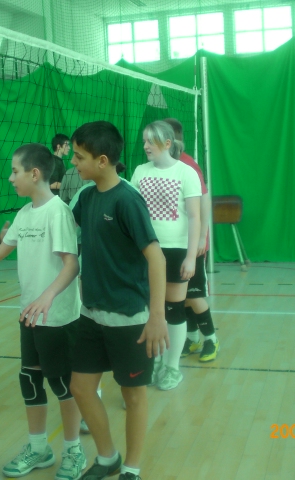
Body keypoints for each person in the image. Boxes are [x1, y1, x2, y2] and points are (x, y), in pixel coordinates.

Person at [0, 143, 86, 480]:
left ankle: (74, 450)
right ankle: (39, 448)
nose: (11, 178)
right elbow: (4, 248)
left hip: (57, 318)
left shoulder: (58, 212)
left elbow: (72, 265)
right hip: (30, 315)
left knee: (63, 385)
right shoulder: (25, 213)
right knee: (30, 380)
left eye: (15, 171)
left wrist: (47, 297)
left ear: (34, 174)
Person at [68, 121, 169, 480]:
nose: (73, 163)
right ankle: (107, 457)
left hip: (129, 319)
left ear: (102, 160)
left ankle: (131, 468)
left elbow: (156, 258)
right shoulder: (86, 198)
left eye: (79, 157)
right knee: (80, 387)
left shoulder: (127, 199)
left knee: (133, 396)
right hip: (91, 314)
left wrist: (156, 317)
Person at [130, 121, 201, 391]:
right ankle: (156, 360)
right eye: (144, 141)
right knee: (150, 309)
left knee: (173, 309)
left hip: (176, 250)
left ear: (167, 143)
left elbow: (194, 217)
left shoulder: (186, 172)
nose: (146, 146)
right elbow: (132, 209)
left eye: (151, 141)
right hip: (146, 250)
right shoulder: (140, 171)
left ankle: (172, 367)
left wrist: (191, 257)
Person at [163, 118, 219, 362]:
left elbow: (204, 202)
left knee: (194, 295)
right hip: (174, 245)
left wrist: (201, 239)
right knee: (181, 296)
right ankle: (193, 337)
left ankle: (211, 339)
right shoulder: (164, 165)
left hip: (192, 244)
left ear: (172, 139)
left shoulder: (188, 165)